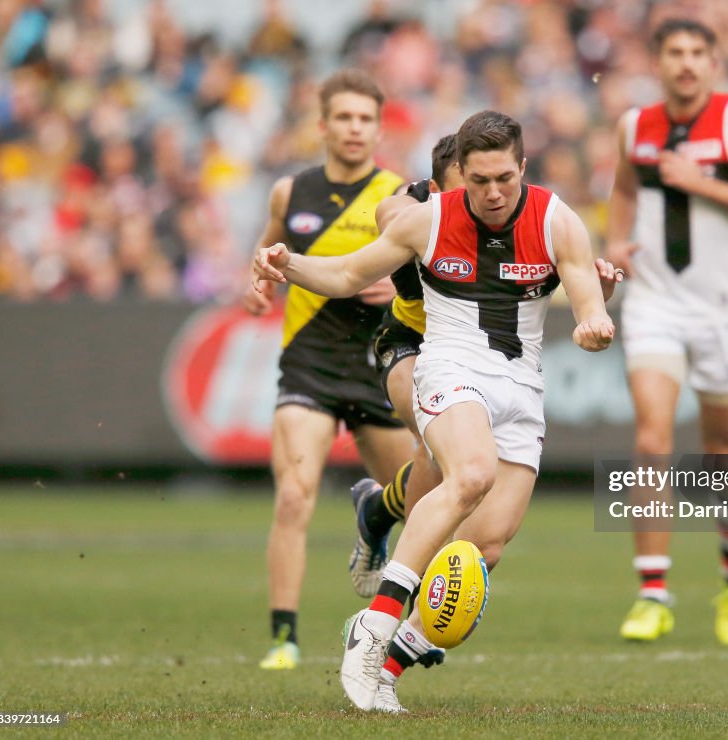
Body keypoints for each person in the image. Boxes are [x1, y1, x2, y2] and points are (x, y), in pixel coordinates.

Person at [254, 110, 616, 711]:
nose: (494, 192)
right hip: (449, 367)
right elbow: (347, 273)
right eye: (479, 180)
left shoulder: (557, 219)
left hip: (522, 390)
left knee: (484, 550)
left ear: (523, 167)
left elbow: (584, 292)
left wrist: (595, 321)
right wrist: (289, 263)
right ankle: (373, 626)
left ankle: (388, 667)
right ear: (460, 176)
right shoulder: (428, 219)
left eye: (504, 177)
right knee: (469, 473)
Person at [605, 18, 728, 646]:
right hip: (654, 299)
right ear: (657, 61)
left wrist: (701, 182)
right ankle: (652, 592)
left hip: (721, 306)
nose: (685, 63)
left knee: (721, 454)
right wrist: (616, 242)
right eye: (674, 53)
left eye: (696, 53)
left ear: (713, 61)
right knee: (651, 437)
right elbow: (624, 189)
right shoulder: (636, 125)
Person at [241, 68, 416, 670]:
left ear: (378, 127)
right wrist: (258, 283)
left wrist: (392, 283)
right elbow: (265, 253)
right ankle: (284, 639)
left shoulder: (400, 195)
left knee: (426, 499)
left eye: (365, 118)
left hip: (379, 365)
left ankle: (402, 626)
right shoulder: (291, 193)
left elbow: (423, 269)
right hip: (310, 368)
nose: (354, 128)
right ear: (322, 125)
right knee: (293, 497)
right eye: (343, 117)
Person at [345, 134, 461, 601]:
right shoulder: (414, 204)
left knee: (458, 459)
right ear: (435, 188)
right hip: (409, 341)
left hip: (475, 351)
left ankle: (376, 510)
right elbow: (388, 213)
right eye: (462, 189)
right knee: (439, 441)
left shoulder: (505, 205)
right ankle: (415, 591)